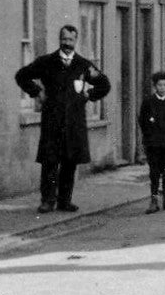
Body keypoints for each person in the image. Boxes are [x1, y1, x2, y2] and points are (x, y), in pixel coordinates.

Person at [14, 25, 110, 214]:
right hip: (52, 120)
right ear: (60, 39)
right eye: (64, 39)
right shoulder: (46, 62)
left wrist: (88, 94)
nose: (67, 43)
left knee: (70, 162)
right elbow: (22, 76)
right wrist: (37, 92)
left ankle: (65, 201)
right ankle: (47, 201)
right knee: (50, 161)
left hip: (74, 122)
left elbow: (104, 84)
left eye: (70, 40)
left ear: (76, 41)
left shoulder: (83, 65)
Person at [139, 71, 165, 214]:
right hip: (152, 143)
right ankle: (154, 200)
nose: (162, 87)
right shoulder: (148, 102)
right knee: (154, 172)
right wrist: (150, 136)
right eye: (159, 85)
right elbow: (143, 122)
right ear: (155, 86)